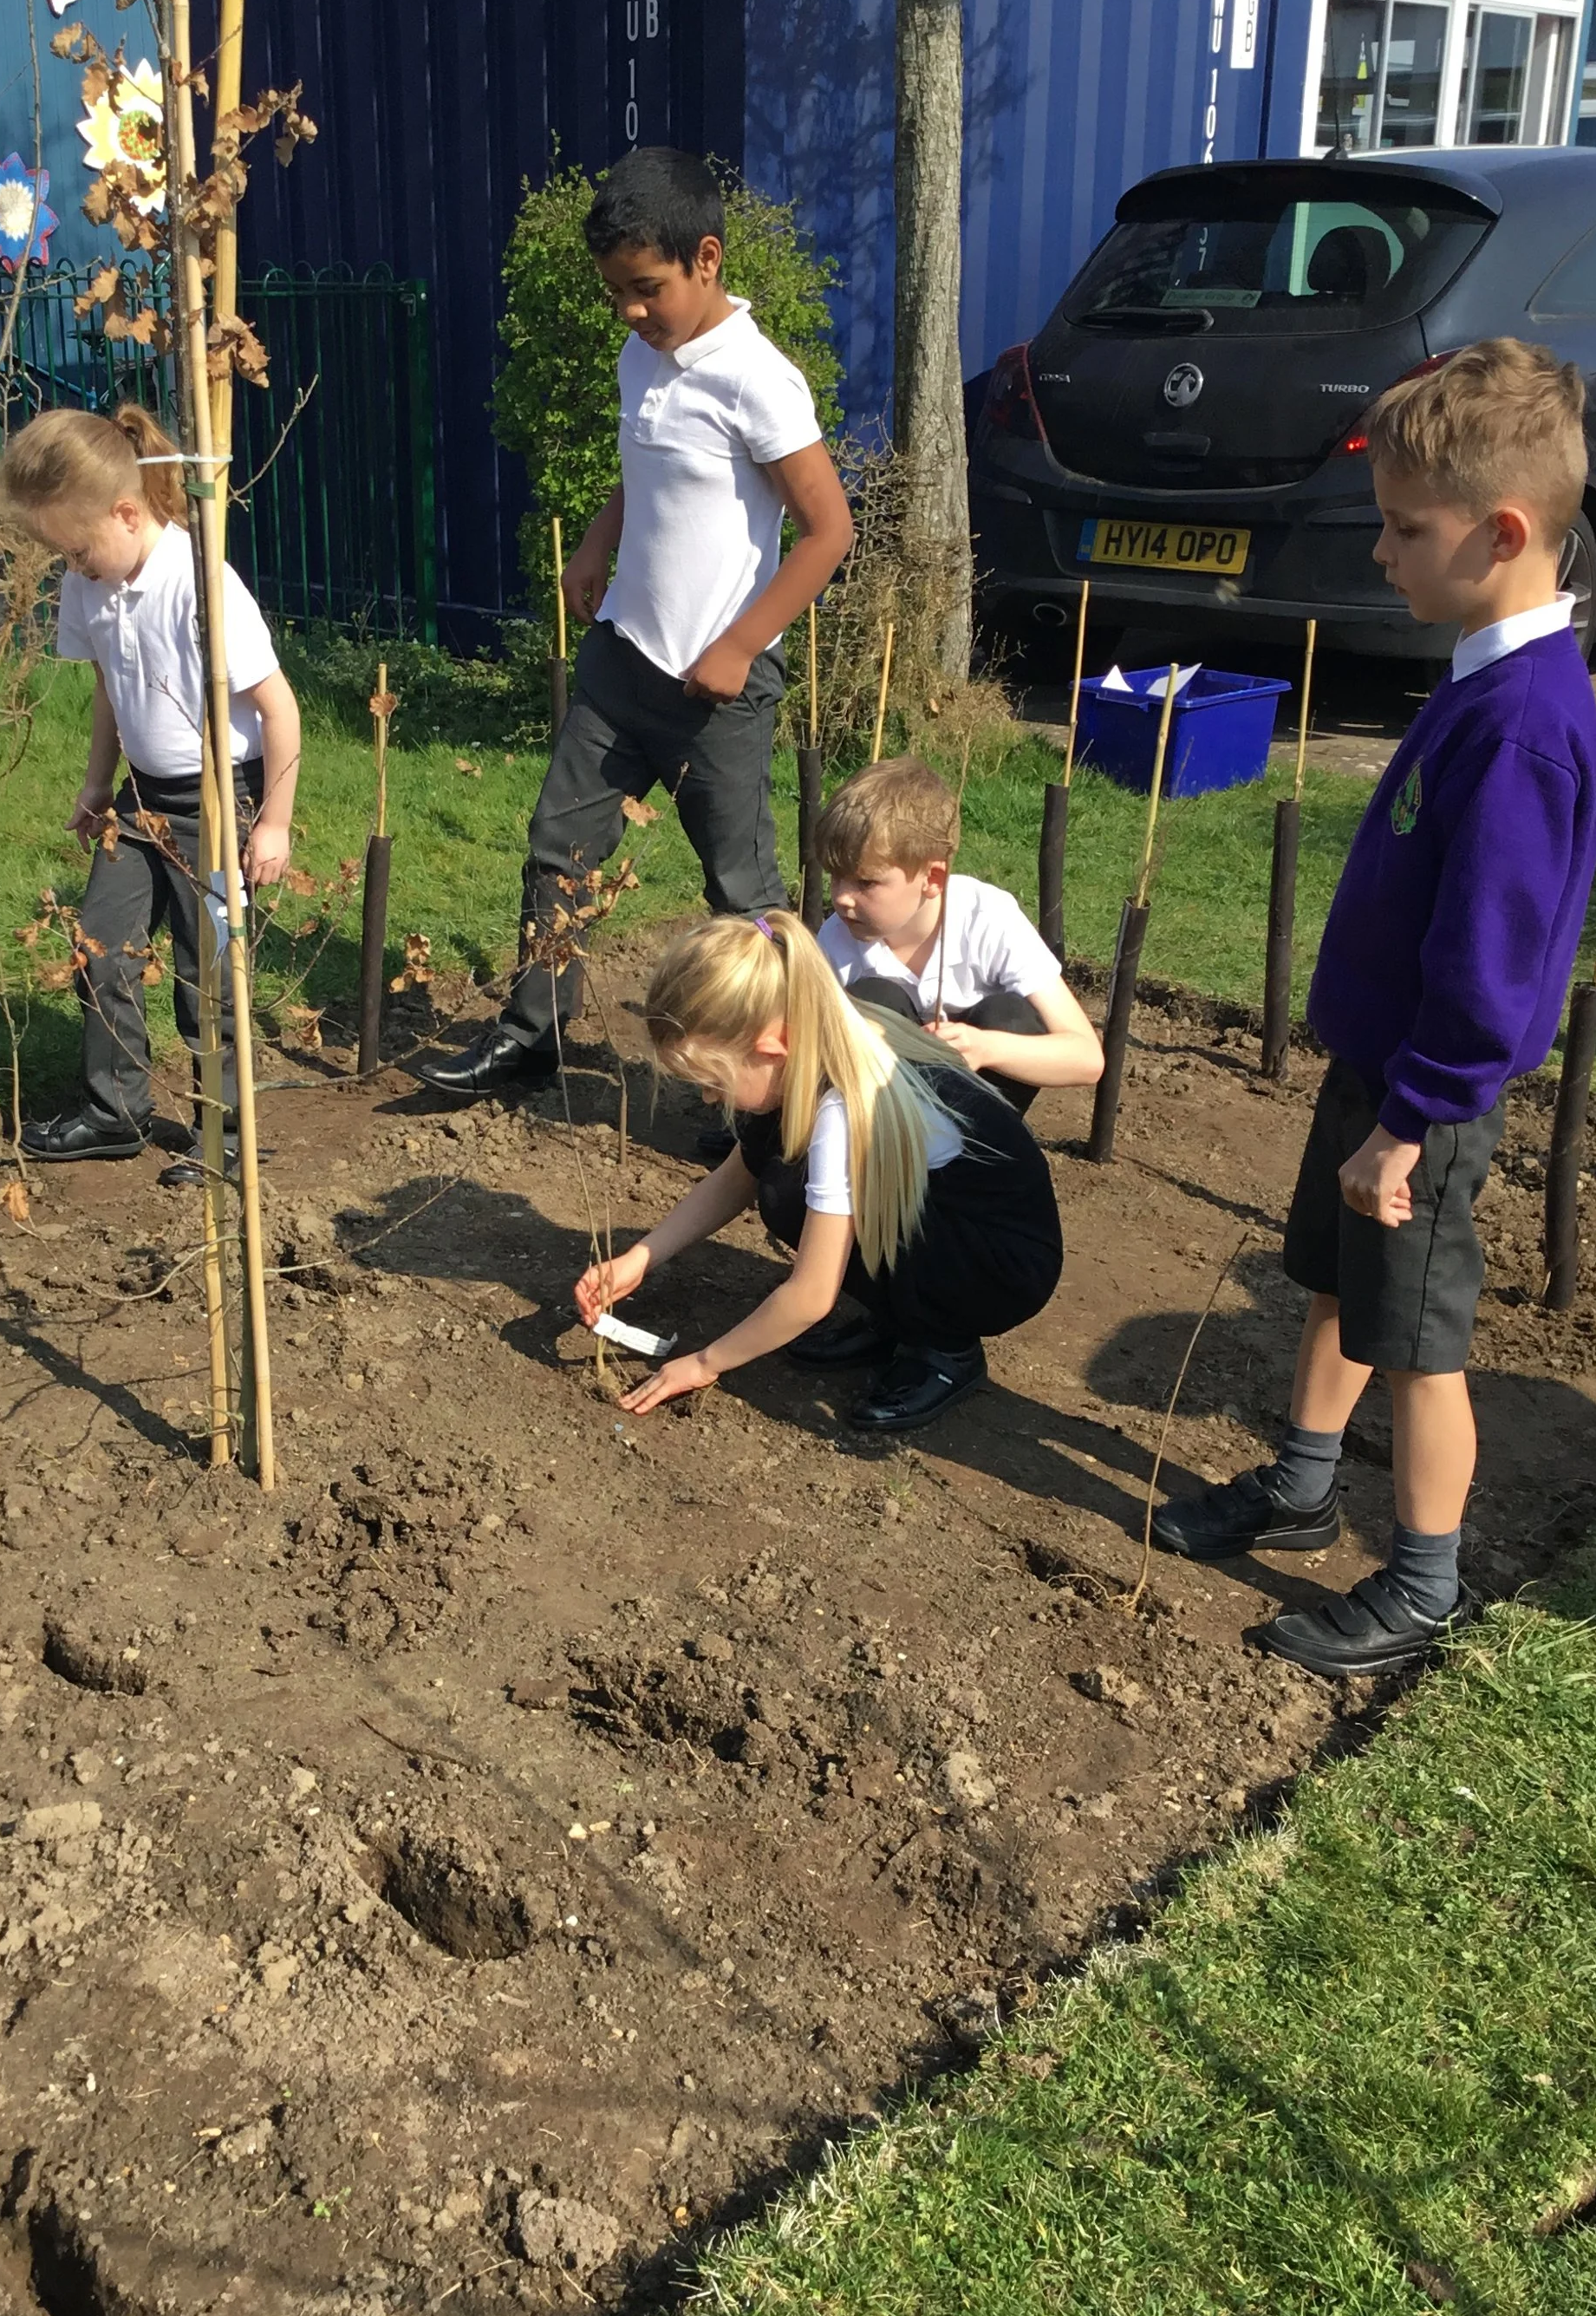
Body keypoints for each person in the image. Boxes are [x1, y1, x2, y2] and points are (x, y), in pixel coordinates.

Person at [1151, 341, 1596, 1675]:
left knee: (1418, 1346)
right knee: (1341, 1290)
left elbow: (1492, 963)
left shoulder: (1525, 725)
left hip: (1428, 1099)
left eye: (1407, 529)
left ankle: (1422, 1580)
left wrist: (1408, 1124)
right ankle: (1300, 1487)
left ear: (1506, 531)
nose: (1381, 553)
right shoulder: (1482, 670)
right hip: (1384, 1072)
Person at [416, 147, 853, 1099]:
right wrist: (596, 548)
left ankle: (775, 1084)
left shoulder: (758, 380)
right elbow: (646, 464)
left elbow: (828, 532)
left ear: (706, 259)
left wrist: (739, 646)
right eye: (617, 292)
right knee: (556, 849)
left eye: (646, 289)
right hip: (624, 657)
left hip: (719, 693)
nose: (630, 311)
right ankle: (535, 1033)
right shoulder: (641, 355)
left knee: (742, 898)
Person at [574, 911, 1063, 1432]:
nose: (708, 1097)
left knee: (788, 1191)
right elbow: (739, 1173)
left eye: (713, 1080)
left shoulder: (846, 1110)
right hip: (956, 1223)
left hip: (997, 1270)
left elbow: (810, 1296)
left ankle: (944, 1350)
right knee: (778, 1171)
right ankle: (899, 1316)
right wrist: (642, 1256)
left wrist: (703, 1363)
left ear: (771, 1046)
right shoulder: (824, 1038)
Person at [0, 404, 301, 1184]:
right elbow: (109, 689)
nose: (72, 562)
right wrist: (98, 786)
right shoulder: (89, 583)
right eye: (60, 550)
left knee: (209, 973)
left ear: (127, 512)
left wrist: (273, 823)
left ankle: (224, 1133)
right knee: (102, 945)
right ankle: (116, 1111)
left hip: (221, 800)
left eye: (78, 545)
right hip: (138, 801)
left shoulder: (201, 581)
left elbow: (279, 708)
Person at [814, 755, 1103, 1111]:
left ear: (932, 880)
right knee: (870, 1003)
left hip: (981, 1115)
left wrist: (985, 1047)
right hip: (888, 1126)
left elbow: (1087, 1058)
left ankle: (981, 1153)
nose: (842, 897)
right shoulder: (836, 940)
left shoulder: (987, 918)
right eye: (835, 876)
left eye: (865, 882)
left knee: (1012, 1017)